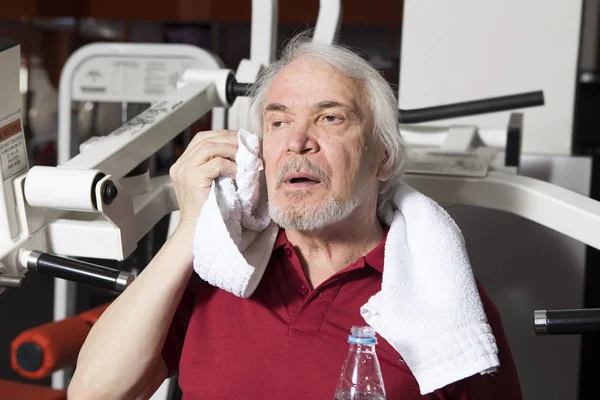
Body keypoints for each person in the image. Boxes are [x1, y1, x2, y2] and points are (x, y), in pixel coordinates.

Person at [68, 33, 523, 399]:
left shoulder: (440, 299)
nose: (297, 141)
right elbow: (93, 393)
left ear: (382, 156)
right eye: (278, 121)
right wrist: (190, 227)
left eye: (330, 118)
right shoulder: (222, 267)